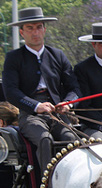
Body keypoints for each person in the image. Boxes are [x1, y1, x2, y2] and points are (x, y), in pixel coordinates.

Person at [2, 7, 81, 172]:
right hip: (30, 116)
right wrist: (36, 107)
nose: (35, 32)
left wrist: (68, 103)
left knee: (71, 138)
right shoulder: (13, 58)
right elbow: (11, 92)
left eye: (38, 27)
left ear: (44, 29)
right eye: (30, 28)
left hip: (57, 114)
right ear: (22, 32)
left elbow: (74, 87)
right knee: (45, 139)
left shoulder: (58, 55)